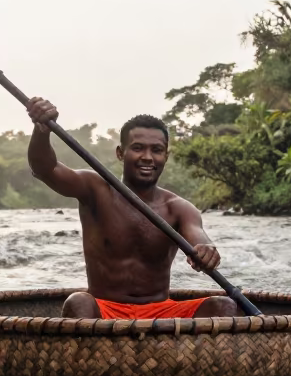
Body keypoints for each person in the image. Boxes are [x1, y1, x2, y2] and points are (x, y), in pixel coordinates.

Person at [26, 97, 239, 320]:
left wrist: (206, 251)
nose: (147, 157)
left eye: (156, 150)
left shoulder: (179, 208)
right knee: (78, 301)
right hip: (104, 310)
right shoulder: (95, 189)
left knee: (223, 306)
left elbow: (199, 239)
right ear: (120, 153)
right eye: (138, 148)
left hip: (160, 313)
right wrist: (41, 130)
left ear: (165, 156)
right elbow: (44, 168)